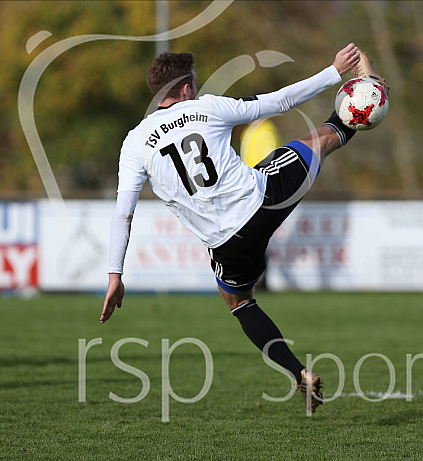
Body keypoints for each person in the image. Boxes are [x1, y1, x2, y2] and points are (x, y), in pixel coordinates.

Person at [101, 43, 387, 413]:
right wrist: (333, 72)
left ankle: (299, 372)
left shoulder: (134, 143)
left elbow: (123, 213)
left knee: (240, 303)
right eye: (196, 82)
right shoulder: (208, 108)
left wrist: (115, 274)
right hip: (265, 201)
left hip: (228, 244)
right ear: (187, 88)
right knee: (323, 138)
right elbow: (281, 100)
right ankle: (368, 91)